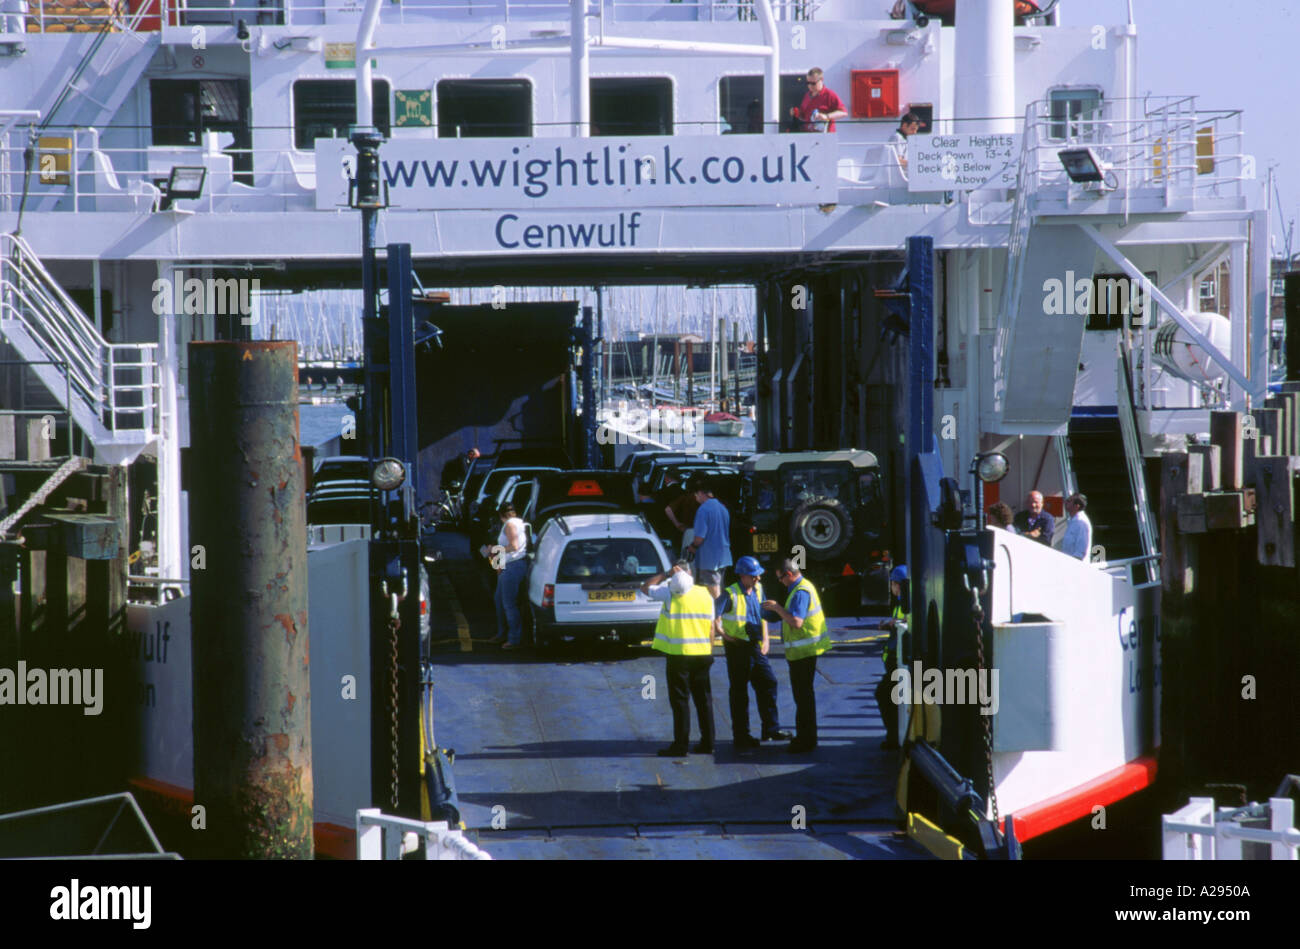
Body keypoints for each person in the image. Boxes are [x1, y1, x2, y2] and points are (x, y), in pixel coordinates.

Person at [641, 562, 716, 757]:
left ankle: (681, 745)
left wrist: (666, 573)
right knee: (704, 700)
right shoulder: (705, 594)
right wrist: (710, 651)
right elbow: (711, 627)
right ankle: (708, 743)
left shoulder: (670, 592)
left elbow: (645, 587)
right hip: (702, 654)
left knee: (680, 701)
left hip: (678, 656)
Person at [716, 556, 790, 751]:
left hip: (755, 646)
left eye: (759, 575)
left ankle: (771, 730)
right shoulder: (729, 594)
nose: (758, 579)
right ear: (743, 576)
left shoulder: (758, 590)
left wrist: (765, 639)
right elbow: (712, 616)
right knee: (739, 693)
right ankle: (741, 736)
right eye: (754, 576)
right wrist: (724, 635)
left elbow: (763, 614)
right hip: (738, 647)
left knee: (768, 682)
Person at [762, 559, 831, 753]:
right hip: (804, 651)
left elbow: (796, 622)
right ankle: (807, 737)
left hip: (803, 653)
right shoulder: (803, 587)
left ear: (789, 574)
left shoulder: (800, 592)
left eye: (781, 578)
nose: (780, 582)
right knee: (804, 697)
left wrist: (777, 608)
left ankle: (806, 740)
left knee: (803, 698)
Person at [482, 502, 528, 649]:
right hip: (509, 567)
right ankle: (502, 634)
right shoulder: (518, 522)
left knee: (509, 604)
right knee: (499, 601)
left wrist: (493, 549)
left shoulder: (509, 524)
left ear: (501, 515)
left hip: (513, 567)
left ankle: (514, 639)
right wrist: (498, 568)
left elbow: (513, 547)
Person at [874, 565, 910, 750]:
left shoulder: (906, 604)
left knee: (884, 695)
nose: (891, 587)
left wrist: (894, 624)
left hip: (899, 663)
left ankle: (894, 737)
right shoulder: (901, 603)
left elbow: (908, 623)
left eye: (893, 584)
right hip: (895, 662)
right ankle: (895, 735)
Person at [688, 477, 731, 598]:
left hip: (709, 558)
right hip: (724, 556)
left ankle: (717, 616)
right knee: (719, 587)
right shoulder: (723, 508)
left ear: (701, 493)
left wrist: (692, 547)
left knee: (713, 591)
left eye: (696, 495)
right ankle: (719, 613)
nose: (696, 498)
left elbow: (699, 537)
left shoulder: (703, 510)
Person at [789, 67, 847, 133]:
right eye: (808, 83)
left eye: (813, 83)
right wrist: (797, 113)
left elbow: (843, 112)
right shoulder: (807, 95)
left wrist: (826, 116)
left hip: (825, 135)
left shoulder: (829, 94)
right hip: (808, 135)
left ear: (821, 80)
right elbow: (804, 116)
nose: (810, 86)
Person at [1060, 492, 1093, 561]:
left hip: (1076, 567)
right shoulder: (1072, 521)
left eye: (1069, 501)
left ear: (1077, 506)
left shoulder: (1081, 523)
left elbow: (1080, 552)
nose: (1065, 502)